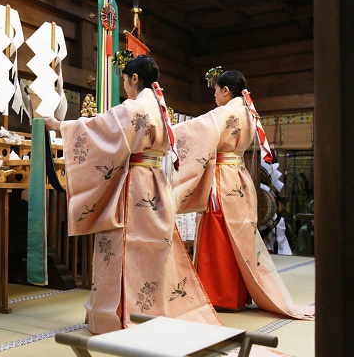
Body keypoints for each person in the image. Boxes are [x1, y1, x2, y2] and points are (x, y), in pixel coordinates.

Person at [44, 55, 221, 334]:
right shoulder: (161, 108)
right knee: (152, 250)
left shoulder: (135, 107)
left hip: (136, 185)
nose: (124, 86)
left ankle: (120, 316)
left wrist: (59, 126)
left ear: (134, 78)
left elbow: (100, 129)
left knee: (122, 247)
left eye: (125, 80)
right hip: (157, 185)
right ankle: (151, 311)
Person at [171, 69, 314, 319]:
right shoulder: (248, 112)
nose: (214, 96)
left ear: (226, 91)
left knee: (220, 234)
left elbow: (195, 130)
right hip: (239, 177)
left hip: (222, 180)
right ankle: (237, 294)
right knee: (240, 236)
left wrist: (170, 129)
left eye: (216, 90)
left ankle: (220, 295)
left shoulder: (225, 112)